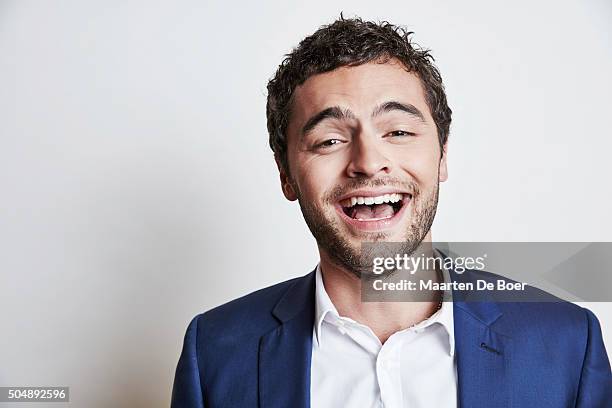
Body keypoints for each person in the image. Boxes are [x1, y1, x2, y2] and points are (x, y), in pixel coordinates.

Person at [171, 16, 611, 407]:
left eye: (398, 130)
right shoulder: (213, 354)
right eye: (329, 140)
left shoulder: (569, 346)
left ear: (441, 157)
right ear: (286, 174)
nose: (368, 161)